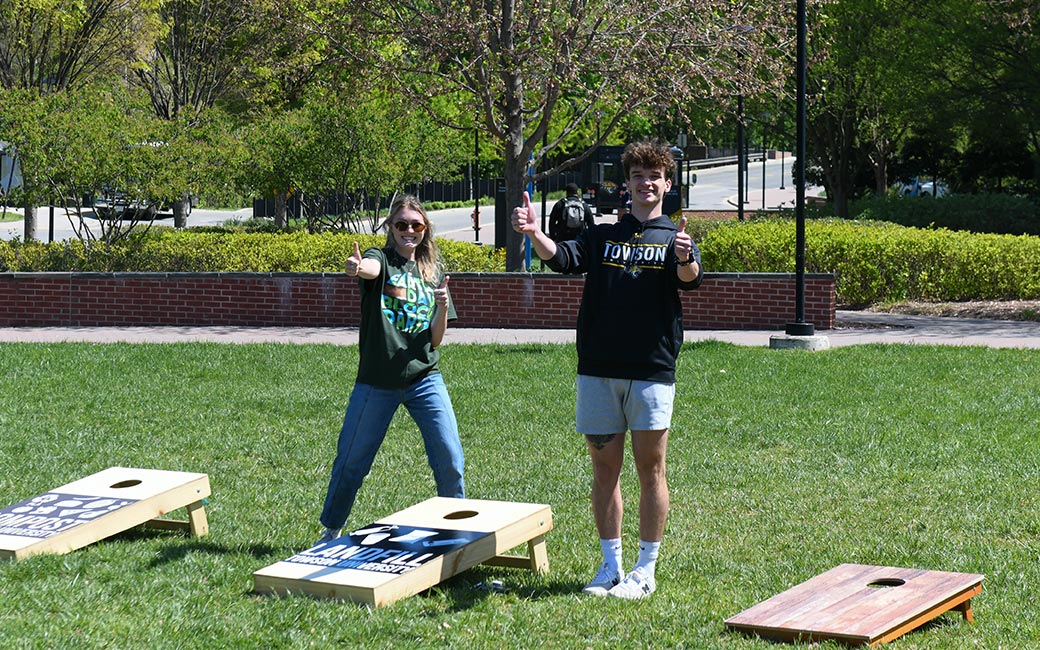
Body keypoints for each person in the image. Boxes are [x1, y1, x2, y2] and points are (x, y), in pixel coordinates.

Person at [511, 140, 702, 600]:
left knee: (651, 469)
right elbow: (563, 259)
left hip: (652, 370)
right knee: (604, 470)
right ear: (628, 184)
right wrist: (535, 233)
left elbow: (691, 279)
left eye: (654, 175)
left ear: (667, 184)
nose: (646, 182)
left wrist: (684, 257)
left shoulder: (675, 237)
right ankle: (611, 566)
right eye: (638, 175)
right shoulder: (600, 236)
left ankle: (646, 570)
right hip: (597, 369)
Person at [317, 194, 465, 544]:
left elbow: (436, 339)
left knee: (450, 459)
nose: (408, 231)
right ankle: (331, 530)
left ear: (425, 229)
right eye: (401, 225)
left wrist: (442, 308)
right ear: (391, 228)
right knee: (352, 460)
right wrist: (355, 267)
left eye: (415, 225)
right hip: (376, 381)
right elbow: (368, 269)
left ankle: (457, 534)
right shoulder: (379, 259)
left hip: (424, 379)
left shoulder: (433, 273)